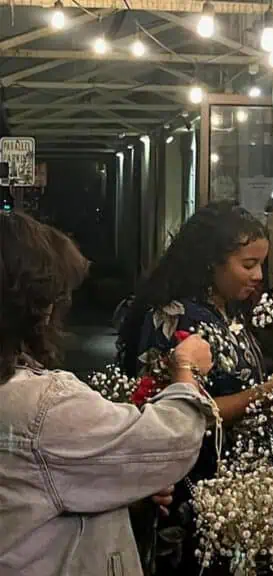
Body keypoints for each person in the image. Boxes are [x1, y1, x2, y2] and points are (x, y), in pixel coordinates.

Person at [0, 211, 217, 576]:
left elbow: (34, 488)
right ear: (36, 305)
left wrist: (118, 484)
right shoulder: (41, 406)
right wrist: (187, 370)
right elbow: (171, 441)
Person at [117, 202, 273, 575]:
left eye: (261, 264)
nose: (259, 275)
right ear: (211, 262)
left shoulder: (231, 313)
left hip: (236, 490)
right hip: (190, 492)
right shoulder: (175, 317)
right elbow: (174, 413)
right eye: (248, 265)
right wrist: (264, 395)